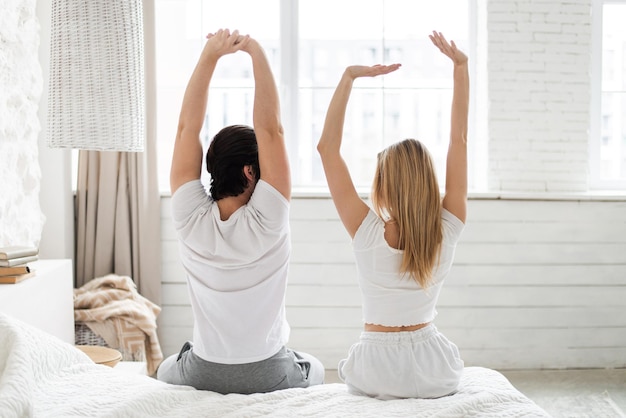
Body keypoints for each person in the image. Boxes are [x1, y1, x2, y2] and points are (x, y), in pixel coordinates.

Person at [157, 29, 324, 394]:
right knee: (318, 368)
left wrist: (209, 56)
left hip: (204, 371)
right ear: (251, 171)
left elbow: (188, 128)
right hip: (269, 372)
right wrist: (255, 50)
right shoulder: (269, 220)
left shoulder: (189, 219)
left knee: (166, 367)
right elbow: (272, 129)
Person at [316, 31, 469, 400]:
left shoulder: (367, 231)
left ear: (384, 186)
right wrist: (461, 68)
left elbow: (326, 149)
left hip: (375, 367)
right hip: (434, 368)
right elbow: (458, 140)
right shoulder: (449, 224)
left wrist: (349, 77)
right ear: (428, 182)